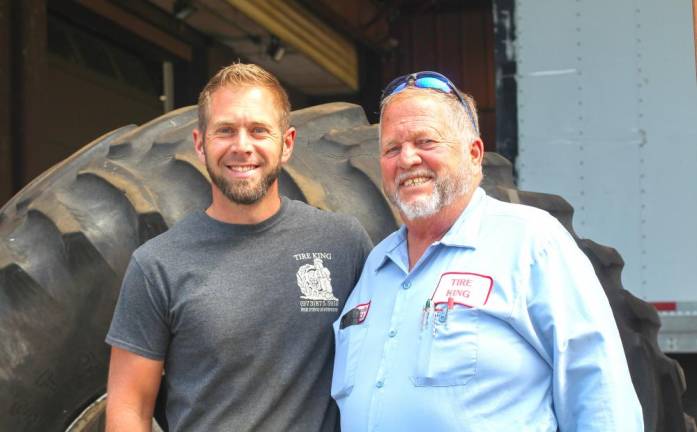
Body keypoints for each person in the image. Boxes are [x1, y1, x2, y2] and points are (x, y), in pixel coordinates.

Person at [331, 71, 643, 431]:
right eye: (392, 148)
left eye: (425, 141)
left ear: (474, 153)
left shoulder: (532, 243)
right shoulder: (375, 268)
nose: (407, 159)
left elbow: (601, 398)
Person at [105, 63, 372, 431]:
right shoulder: (156, 265)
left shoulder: (343, 244)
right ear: (200, 144)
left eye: (259, 130)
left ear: (287, 144)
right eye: (225, 131)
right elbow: (128, 409)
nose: (242, 146)